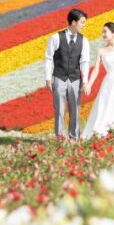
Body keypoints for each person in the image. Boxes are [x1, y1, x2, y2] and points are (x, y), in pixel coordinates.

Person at [44, 8, 90, 140]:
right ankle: (61, 138)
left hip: (75, 79)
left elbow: (85, 61)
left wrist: (85, 81)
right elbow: (48, 58)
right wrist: (48, 78)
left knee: (75, 109)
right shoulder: (55, 38)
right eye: (82, 22)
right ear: (74, 22)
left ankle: (74, 138)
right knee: (59, 109)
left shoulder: (84, 40)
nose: (84, 25)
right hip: (59, 77)